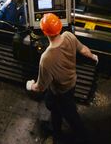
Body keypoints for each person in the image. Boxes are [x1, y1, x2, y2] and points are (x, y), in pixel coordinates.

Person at [26, 13, 98, 142]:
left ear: (44, 31)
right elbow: (83, 49)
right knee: (55, 108)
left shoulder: (46, 58)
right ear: (59, 27)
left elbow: (40, 87)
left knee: (69, 114)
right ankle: (56, 130)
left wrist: (30, 85)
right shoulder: (68, 36)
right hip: (72, 82)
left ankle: (82, 136)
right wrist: (93, 56)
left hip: (60, 91)